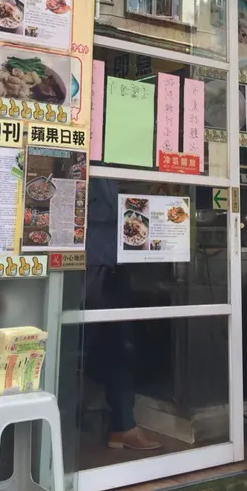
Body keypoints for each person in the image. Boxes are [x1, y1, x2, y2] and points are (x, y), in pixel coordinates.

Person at [85, 178, 161, 451]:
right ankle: (120, 426)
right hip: (94, 269)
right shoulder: (93, 174)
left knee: (118, 348)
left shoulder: (105, 174)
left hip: (109, 268)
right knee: (112, 348)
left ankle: (122, 426)